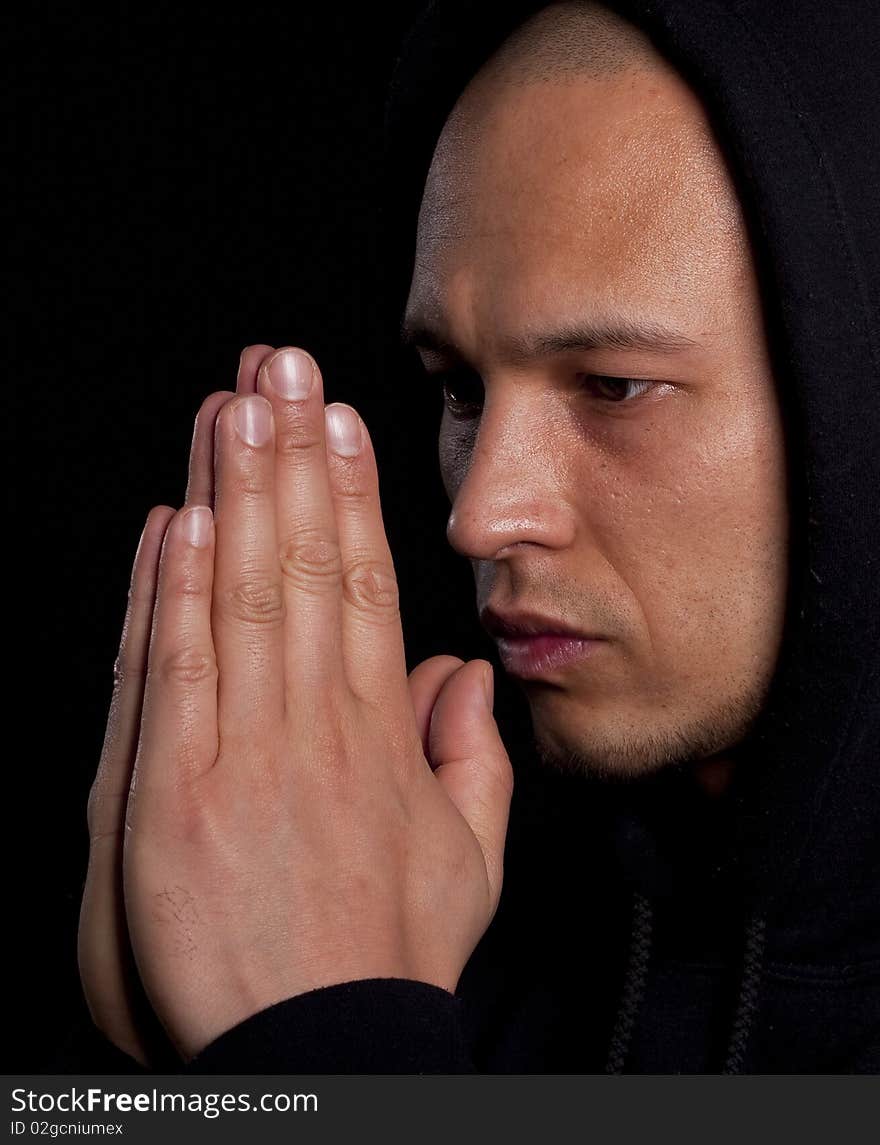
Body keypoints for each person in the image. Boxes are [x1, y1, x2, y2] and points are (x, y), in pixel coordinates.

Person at [52, 0, 879, 1074]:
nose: (480, 511)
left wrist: (329, 1045)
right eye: (457, 387)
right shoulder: (438, 935)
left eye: (614, 385)